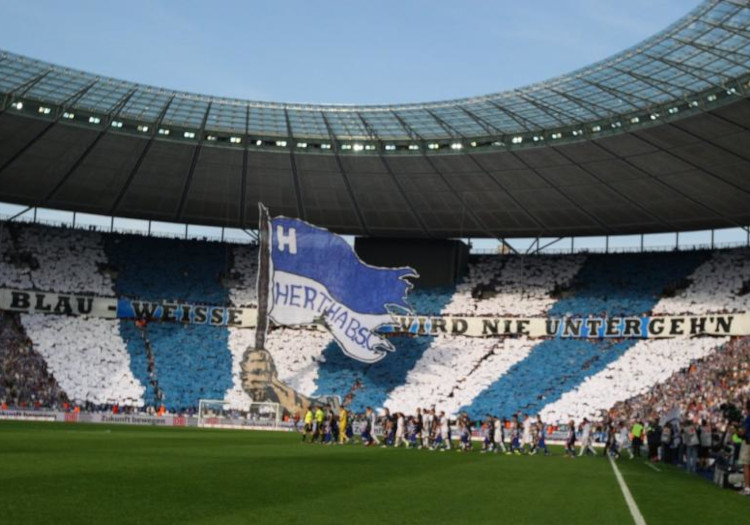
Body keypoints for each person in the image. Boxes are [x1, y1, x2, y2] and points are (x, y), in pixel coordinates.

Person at [737, 400, 750, 496]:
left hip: (748, 443)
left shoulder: (748, 418)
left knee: (746, 465)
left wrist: (736, 431)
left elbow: (743, 432)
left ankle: (747, 488)